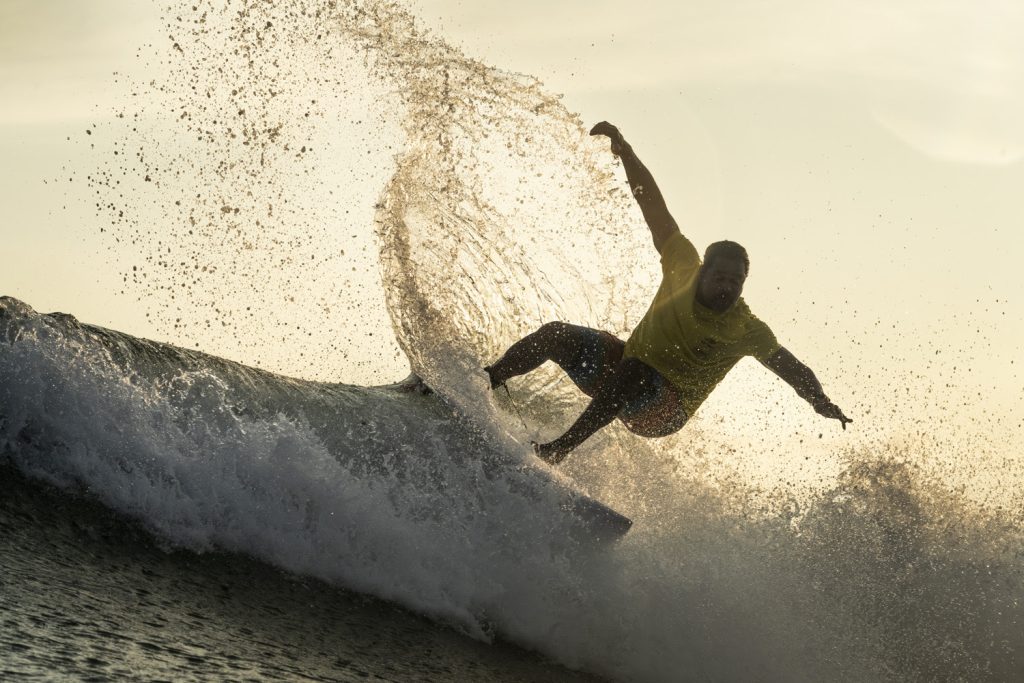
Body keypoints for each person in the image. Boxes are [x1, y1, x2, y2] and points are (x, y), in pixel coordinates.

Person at [485, 121, 851, 464]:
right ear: (702, 270)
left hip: (663, 412)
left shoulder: (747, 328)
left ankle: (557, 450)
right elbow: (653, 208)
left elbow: (792, 368)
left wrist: (819, 400)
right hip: (624, 371)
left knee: (636, 373)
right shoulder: (681, 265)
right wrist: (626, 152)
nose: (727, 287)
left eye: (735, 282)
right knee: (555, 335)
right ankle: (485, 383)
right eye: (720, 277)